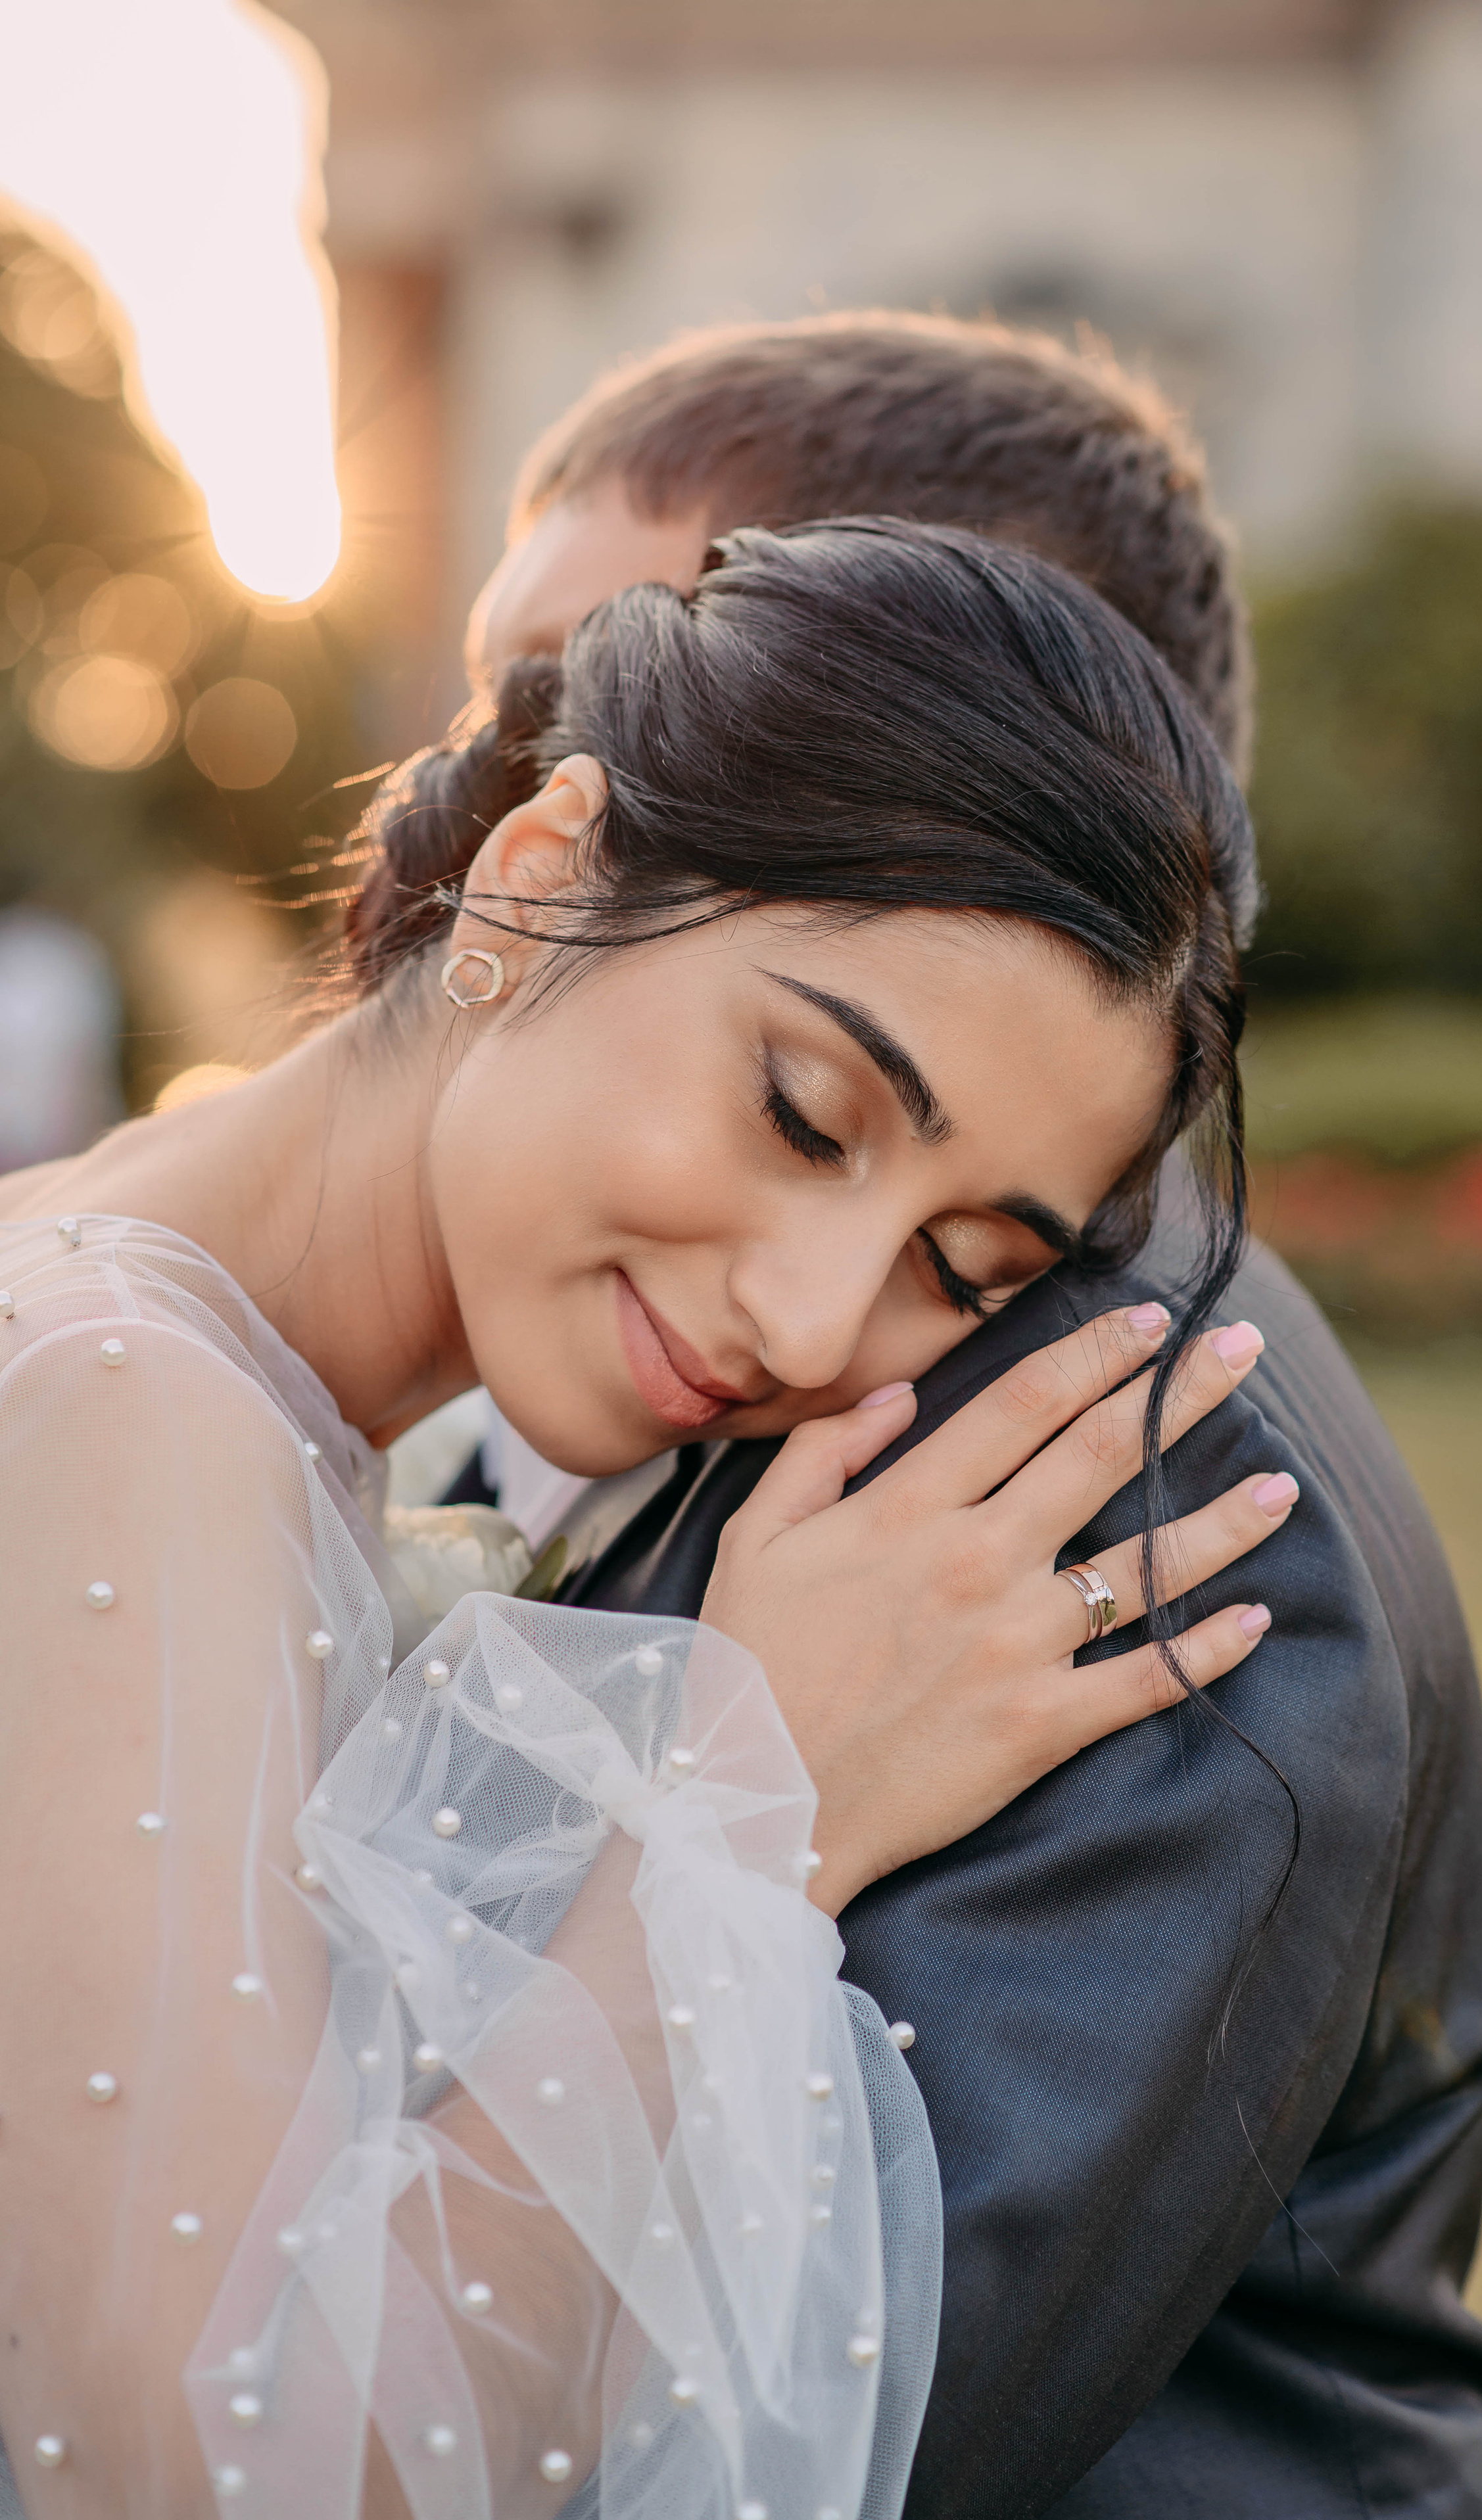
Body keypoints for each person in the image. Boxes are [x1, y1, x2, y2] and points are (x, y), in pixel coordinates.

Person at [0, 518, 1289, 2517]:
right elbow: (223, 2472)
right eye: (801, 1108)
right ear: (533, 883)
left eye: (958, 1267)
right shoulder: (122, 1402)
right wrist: (749, 1795)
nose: (807, 1317)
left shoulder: (142, 1305)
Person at [443, 312, 1482, 2519]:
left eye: (597, 687)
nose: (485, 803)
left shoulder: (1140, 1478)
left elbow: (802, 2430)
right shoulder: (749, 1313)